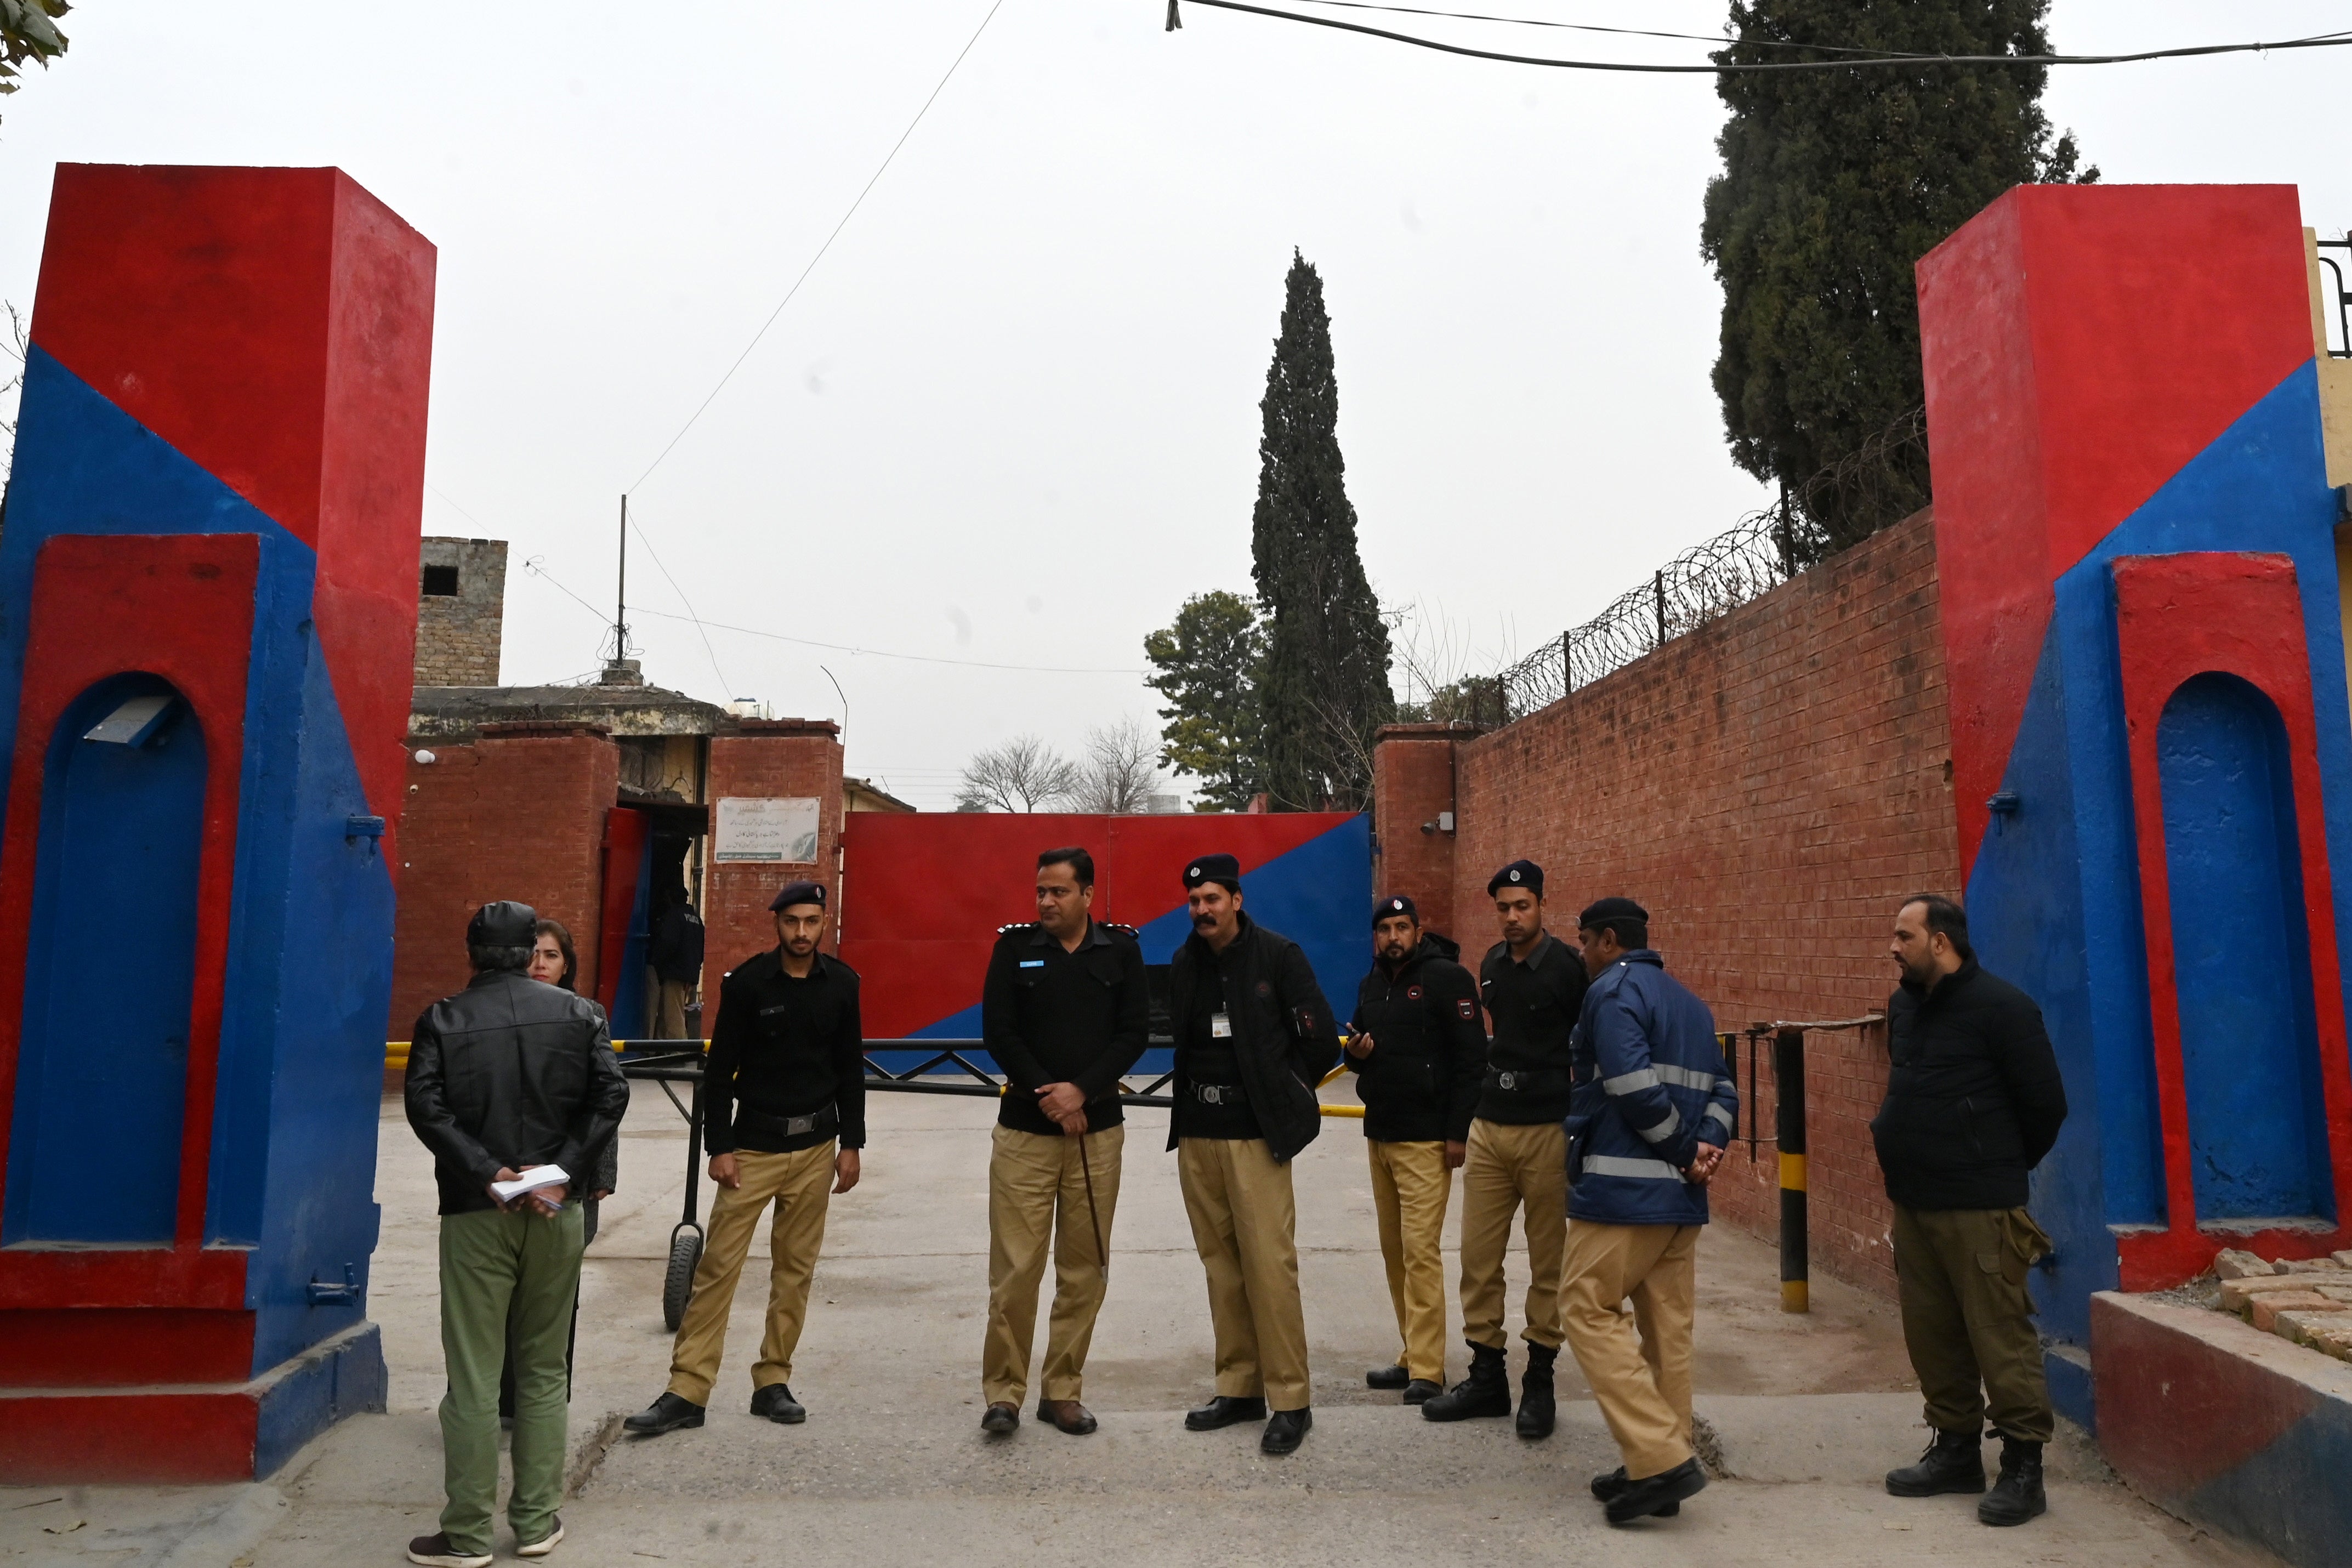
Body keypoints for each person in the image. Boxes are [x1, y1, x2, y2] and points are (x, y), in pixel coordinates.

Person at [403, 901, 628, 1568]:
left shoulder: (442, 1019)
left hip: (479, 1212)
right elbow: (609, 1096)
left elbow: (425, 1105)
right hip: (557, 1210)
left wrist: (490, 1172)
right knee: (542, 1367)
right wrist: (559, 1173)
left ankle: (468, 1534)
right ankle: (534, 1521)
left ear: (472, 951)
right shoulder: (581, 1014)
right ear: (532, 947)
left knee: (473, 1375)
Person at [623, 879, 865, 1437]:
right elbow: (719, 1071)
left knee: (794, 1273)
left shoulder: (843, 985)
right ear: (776, 923)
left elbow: (850, 1068)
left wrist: (852, 1142)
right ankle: (687, 1390)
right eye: (791, 922)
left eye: (811, 922)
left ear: (823, 922)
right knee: (718, 1272)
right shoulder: (748, 984)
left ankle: (773, 1381)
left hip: (815, 1149)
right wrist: (721, 1147)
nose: (801, 932)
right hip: (753, 1149)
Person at [1872, 894, 2067, 1527]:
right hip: (1915, 1201)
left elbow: (2045, 1107)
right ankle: (1954, 1449)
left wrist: (1993, 1164)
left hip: (1981, 1205)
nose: (1893, 947)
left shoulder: (2005, 1009)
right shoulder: (1903, 1006)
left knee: (2000, 1336)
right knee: (1933, 1335)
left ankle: (2023, 1468)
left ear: (1941, 942)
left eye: (1904, 936)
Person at [1559, 896, 1738, 1525]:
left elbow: (1630, 1084)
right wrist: (1705, 1149)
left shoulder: (1614, 992)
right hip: (1679, 1202)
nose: (1581, 953)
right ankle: (1660, 1459)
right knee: (1668, 1332)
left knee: (1584, 1306)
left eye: (1584, 941)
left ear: (1609, 940)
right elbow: (1724, 1085)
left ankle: (1660, 1458)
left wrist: (1688, 1151)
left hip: (1622, 1195)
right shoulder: (1690, 1003)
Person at [1168, 853, 1340, 1455]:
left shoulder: (1278, 956)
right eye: (1193, 902)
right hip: (1199, 1133)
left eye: (1212, 899)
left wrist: (1282, 1093)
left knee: (1270, 1269)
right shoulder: (1186, 961)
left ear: (1237, 900)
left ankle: (1291, 1399)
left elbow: (1320, 1041)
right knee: (1222, 1269)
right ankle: (1239, 1387)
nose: (1201, 910)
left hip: (1256, 1137)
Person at [976, 846, 1150, 1436]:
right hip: (1026, 1132)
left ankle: (1063, 1392)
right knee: (1016, 1271)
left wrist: (1083, 1090)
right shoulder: (1014, 949)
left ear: (1087, 896)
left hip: (1096, 1135)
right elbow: (999, 1031)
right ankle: (1003, 1394)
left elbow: (1134, 1033)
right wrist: (1049, 1093)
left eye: (1058, 892)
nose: (1046, 902)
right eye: (1040, 892)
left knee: (1084, 1268)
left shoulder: (1121, 950)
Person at [1423, 860, 1586, 1438]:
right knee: (1477, 1259)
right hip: (1491, 1126)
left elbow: (1588, 1048)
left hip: (1546, 1127)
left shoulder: (1569, 968)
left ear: (1541, 905)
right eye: (1504, 907)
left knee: (1549, 1264)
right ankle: (1487, 1376)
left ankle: (1538, 1382)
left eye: (1522, 906)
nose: (1512, 917)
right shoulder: (1491, 963)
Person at [1344, 894, 1484, 1404]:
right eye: (1385, 929)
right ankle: (1411, 1354)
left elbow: (1472, 1059)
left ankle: (1429, 1370)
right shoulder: (1372, 984)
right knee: (1395, 1253)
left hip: (1426, 1139)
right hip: (1380, 1134)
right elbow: (1362, 1055)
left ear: (1419, 932)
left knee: (1421, 1252)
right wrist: (1357, 1055)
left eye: (1403, 927)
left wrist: (1457, 1132)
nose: (1394, 937)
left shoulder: (1448, 979)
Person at [493, 919, 621, 1429]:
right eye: (532, 954)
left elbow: (606, 1101)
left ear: (567, 966)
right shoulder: (494, 1014)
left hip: (572, 1179)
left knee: (556, 1296)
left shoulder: (588, 1016)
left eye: (551, 956)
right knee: (499, 1295)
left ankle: (543, 1404)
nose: (539, 964)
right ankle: (498, 1402)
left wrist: (600, 1174)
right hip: (504, 1177)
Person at [649, 897, 705, 1040]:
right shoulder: (696, 920)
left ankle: (680, 1050)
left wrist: (657, 962)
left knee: (673, 1016)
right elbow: (700, 949)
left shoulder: (674, 916)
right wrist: (692, 975)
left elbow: (667, 944)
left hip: (674, 972)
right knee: (668, 1012)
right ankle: (661, 1047)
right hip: (687, 973)